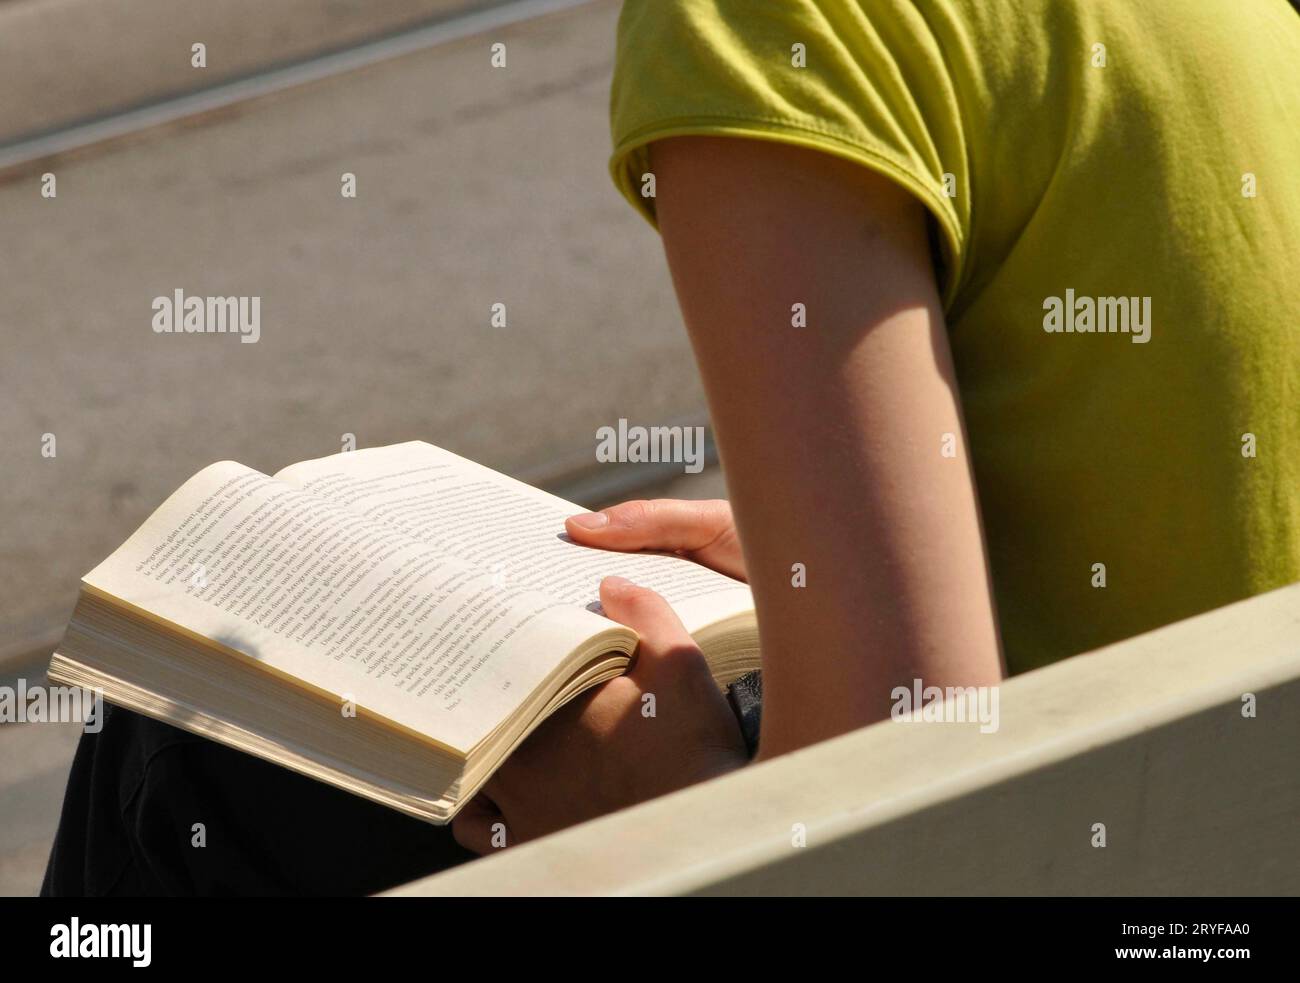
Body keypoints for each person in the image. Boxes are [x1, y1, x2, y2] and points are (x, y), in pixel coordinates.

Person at [44, 0, 1300, 891]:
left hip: (1088, 851)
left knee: (198, 749)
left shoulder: (769, 22)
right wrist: (833, 556)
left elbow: (905, 800)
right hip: (1227, 818)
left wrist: (641, 812)